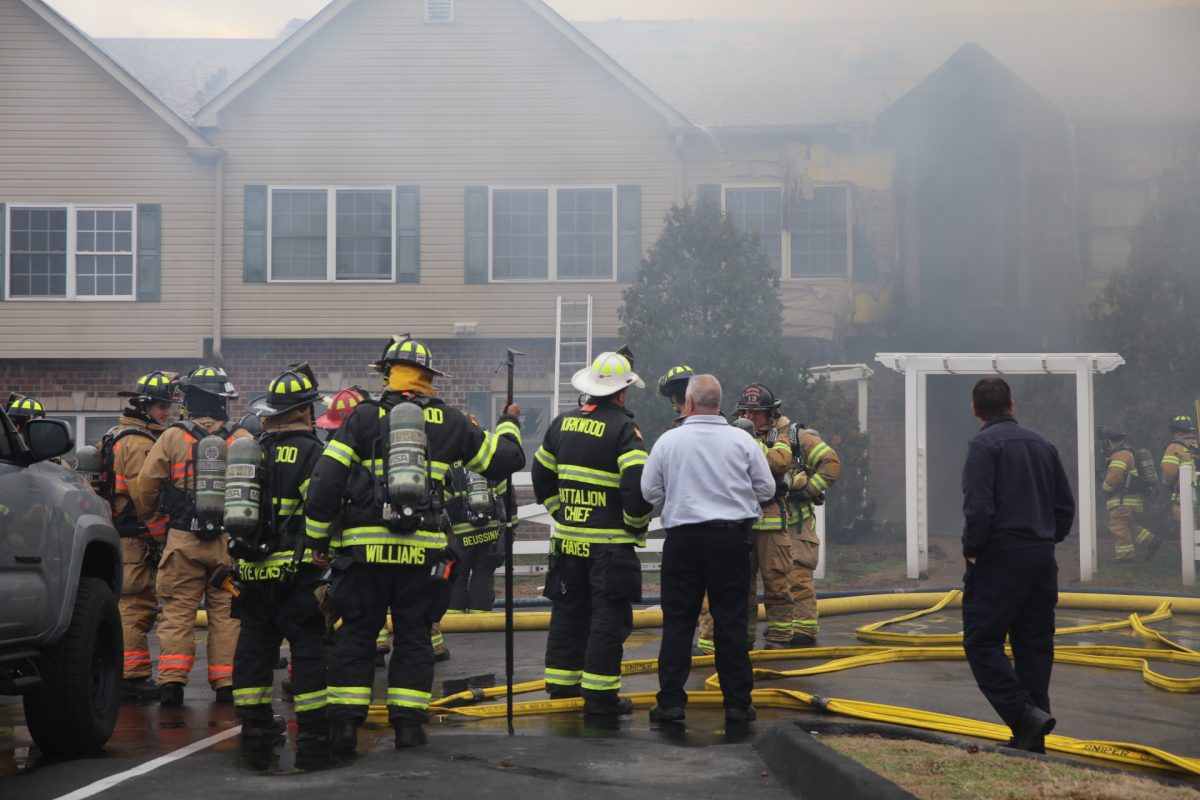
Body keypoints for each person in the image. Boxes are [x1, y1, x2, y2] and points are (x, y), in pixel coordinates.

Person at [303, 337, 524, 754]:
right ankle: (408, 728)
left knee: (356, 636)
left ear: (387, 374)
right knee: (415, 637)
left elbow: (326, 482)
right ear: (428, 379)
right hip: (422, 554)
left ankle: (346, 729)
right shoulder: (452, 422)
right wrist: (508, 422)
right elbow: (506, 462)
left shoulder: (362, 418)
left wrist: (318, 538)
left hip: (364, 553)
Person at [642, 374, 773, 724]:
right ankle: (737, 705)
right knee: (731, 622)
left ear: (687, 403)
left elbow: (649, 492)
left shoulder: (668, 441)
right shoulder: (741, 441)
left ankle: (670, 703)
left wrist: (681, 494)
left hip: (683, 541)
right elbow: (766, 488)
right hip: (730, 541)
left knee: (678, 623)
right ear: (719, 403)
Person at [532, 351, 653, 716]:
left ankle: (562, 686)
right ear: (621, 394)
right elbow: (636, 485)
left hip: (568, 543)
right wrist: (635, 524)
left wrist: (558, 510)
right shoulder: (623, 430)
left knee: (568, 612)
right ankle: (600, 697)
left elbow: (540, 474)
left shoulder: (561, 424)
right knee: (607, 617)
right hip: (608, 549)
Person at [961, 378, 1075, 753]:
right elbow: (1065, 505)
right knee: (1034, 644)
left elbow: (978, 506)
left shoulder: (982, 445)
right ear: (1012, 403)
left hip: (999, 557)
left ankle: (1023, 717)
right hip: (1041, 558)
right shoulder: (1044, 444)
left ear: (976, 410)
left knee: (981, 641)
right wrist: (1046, 538)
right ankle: (1033, 736)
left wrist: (973, 548)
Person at [228, 365, 330, 765]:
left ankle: (253, 721)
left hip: (252, 572)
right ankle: (312, 727)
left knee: (253, 648)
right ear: (305, 411)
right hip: (298, 573)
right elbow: (321, 507)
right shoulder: (313, 453)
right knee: (307, 650)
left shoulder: (252, 452)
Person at [132, 365, 248, 705]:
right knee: (226, 613)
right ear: (222, 402)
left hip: (182, 540)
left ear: (191, 400)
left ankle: (171, 684)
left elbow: (145, 488)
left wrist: (154, 524)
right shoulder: (241, 440)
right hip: (228, 543)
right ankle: (226, 682)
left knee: (178, 612)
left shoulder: (171, 437)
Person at [110, 372, 178, 700]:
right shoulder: (136, 443)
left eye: (168, 405)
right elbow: (144, 497)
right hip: (133, 536)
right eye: (162, 406)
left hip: (126, 536)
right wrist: (164, 537)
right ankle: (131, 678)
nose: (167, 412)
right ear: (143, 405)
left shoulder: (121, 434)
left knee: (135, 602)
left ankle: (128, 675)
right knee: (135, 604)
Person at [730, 383, 794, 649]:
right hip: (740, 522)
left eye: (757, 413)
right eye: (746, 412)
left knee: (776, 581)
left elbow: (781, 461)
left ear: (770, 414)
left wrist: (749, 443)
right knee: (741, 586)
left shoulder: (779, 433)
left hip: (770, 523)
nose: (751, 417)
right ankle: (744, 637)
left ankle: (780, 635)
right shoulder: (731, 432)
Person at [786, 424, 841, 646]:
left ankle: (804, 629)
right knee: (775, 583)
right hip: (764, 524)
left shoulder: (799, 442)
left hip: (798, 524)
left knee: (798, 576)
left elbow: (830, 464)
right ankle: (781, 627)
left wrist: (809, 489)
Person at [445, 457, 506, 616]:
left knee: (457, 575)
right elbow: (507, 496)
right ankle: (480, 617)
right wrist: (507, 533)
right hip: (489, 534)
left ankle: (454, 616)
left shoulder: (451, 467)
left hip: (460, 537)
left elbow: (441, 501)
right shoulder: (493, 463)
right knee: (483, 574)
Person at [1098, 425, 1159, 562]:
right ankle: (1150, 541)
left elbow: (1114, 476)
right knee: (1127, 525)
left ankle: (1125, 557)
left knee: (1117, 526)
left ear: (1108, 441)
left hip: (1123, 499)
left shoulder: (1121, 454)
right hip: (1128, 498)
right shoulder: (1125, 453)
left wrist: (1105, 489)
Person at [1161, 415, 1198, 527]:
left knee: (1187, 533)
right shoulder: (1197, 446)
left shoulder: (1174, 447)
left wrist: (1167, 484)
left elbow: (1169, 474)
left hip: (1185, 497)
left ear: (1174, 430)